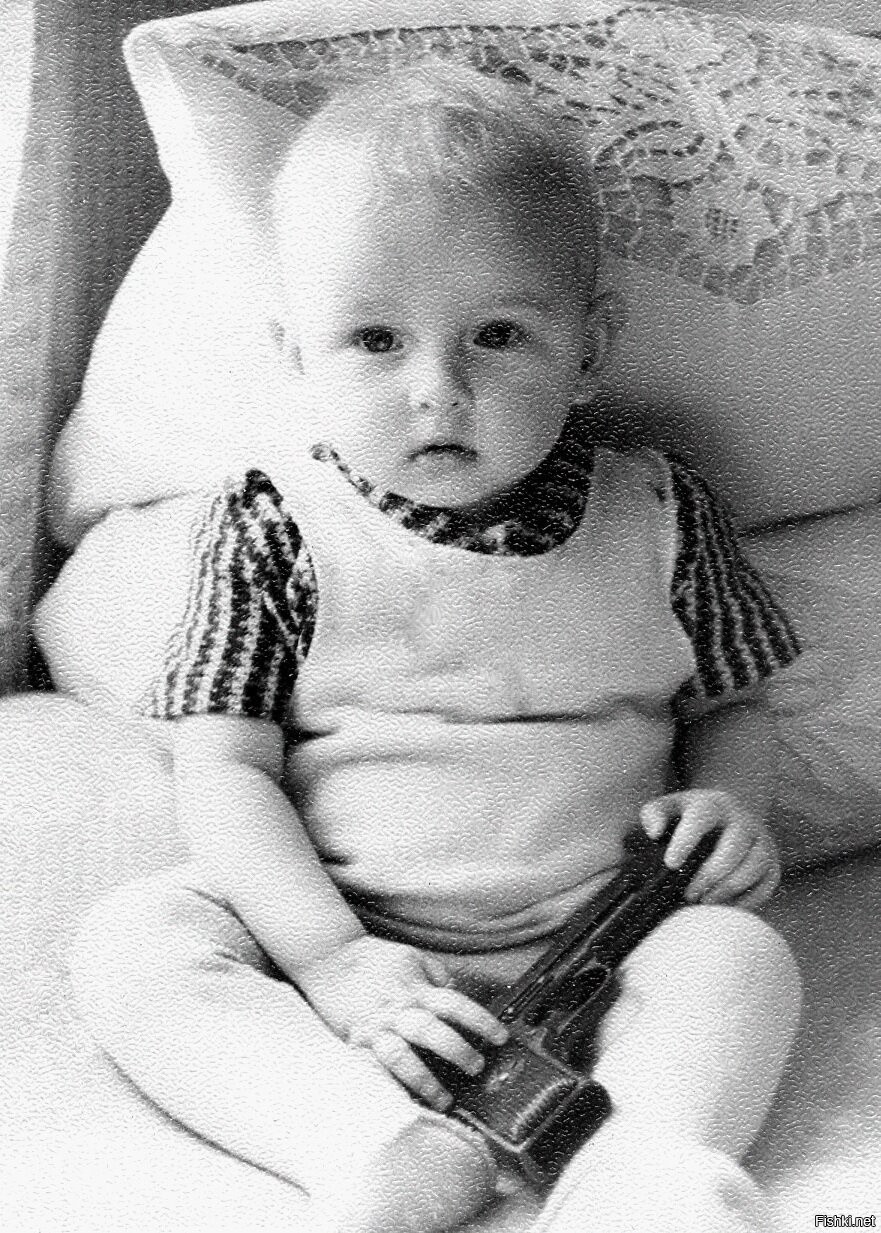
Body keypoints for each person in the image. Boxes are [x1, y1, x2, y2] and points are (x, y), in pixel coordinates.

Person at [70, 62, 802, 1233]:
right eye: (373, 338)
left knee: (738, 959)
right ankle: (369, 1148)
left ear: (588, 348)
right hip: (348, 929)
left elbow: (730, 706)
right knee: (138, 941)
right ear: (295, 354)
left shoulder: (661, 512)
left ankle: (642, 1170)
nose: (436, 390)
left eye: (497, 335)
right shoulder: (271, 526)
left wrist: (730, 809)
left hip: (605, 928)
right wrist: (329, 960)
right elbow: (224, 767)